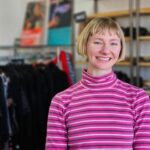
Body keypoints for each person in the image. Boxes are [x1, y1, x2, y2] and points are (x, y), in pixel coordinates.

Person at [45, 17, 150, 150]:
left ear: (120, 48)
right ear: (85, 45)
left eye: (113, 43)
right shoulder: (61, 101)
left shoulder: (138, 98)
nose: (106, 50)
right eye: (97, 42)